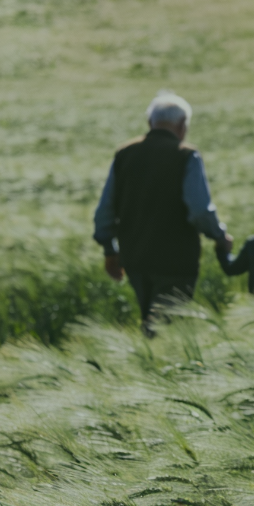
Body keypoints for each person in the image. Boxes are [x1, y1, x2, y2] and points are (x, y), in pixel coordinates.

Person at [92, 93, 232, 336]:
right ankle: (159, 370)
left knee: (150, 320)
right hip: (176, 258)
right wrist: (219, 235)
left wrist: (109, 250)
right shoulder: (186, 155)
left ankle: (147, 367)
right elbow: (199, 210)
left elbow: (105, 210)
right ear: (182, 125)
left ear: (150, 123)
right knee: (168, 329)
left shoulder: (124, 154)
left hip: (134, 255)